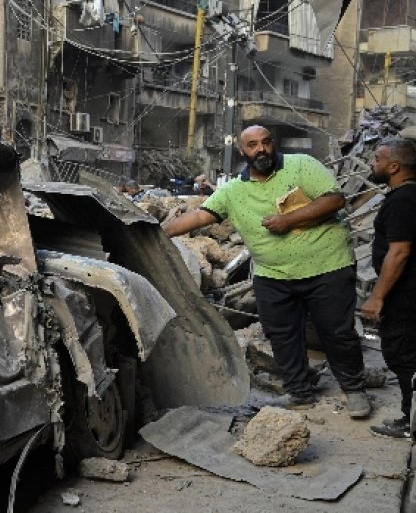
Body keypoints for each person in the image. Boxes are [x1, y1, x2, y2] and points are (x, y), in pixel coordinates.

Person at [163, 125, 370, 416]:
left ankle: (354, 389)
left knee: (337, 332)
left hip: (327, 266)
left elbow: (334, 199)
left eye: (266, 142)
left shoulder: (302, 165)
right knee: (282, 335)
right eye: (252, 145)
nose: (261, 149)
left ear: (273, 143)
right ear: (242, 151)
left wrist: (289, 220)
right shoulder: (234, 190)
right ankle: (299, 392)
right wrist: (158, 232)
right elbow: (200, 215)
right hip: (273, 275)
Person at [362, 138, 416, 438]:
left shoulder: (403, 200)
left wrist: (377, 297)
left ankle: (411, 423)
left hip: (405, 297)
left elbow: (399, 252)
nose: (373, 164)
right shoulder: (405, 197)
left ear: (394, 166)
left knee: (403, 356)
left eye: (378, 159)